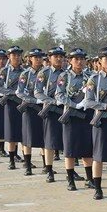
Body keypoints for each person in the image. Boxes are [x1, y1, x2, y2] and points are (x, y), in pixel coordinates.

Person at [83, 47, 107, 200]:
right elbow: (88, 101)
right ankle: (98, 188)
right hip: (101, 119)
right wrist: (105, 106)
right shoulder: (94, 79)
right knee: (98, 156)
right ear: (100, 61)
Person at [56, 48, 95, 191]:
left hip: (86, 115)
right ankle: (71, 180)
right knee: (70, 149)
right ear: (70, 61)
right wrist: (74, 104)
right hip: (71, 116)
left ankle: (90, 179)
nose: (79, 61)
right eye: (76, 59)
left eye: (82, 59)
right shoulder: (64, 77)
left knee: (87, 148)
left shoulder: (90, 76)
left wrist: (87, 102)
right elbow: (59, 95)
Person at [35, 47, 66, 183]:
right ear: (50, 58)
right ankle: (49, 170)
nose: (59, 58)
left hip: (66, 110)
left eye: (61, 56)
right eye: (55, 56)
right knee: (50, 142)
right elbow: (38, 92)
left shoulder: (68, 73)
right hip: (51, 110)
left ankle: (70, 170)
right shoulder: (44, 73)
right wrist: (53, 101)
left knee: (67, 141)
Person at [16, 48, 46, 175]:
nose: (38, 59)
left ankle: (46, 165)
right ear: (30, 59)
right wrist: (33, 100)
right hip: (30, 108)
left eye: (40, 57)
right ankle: (28, 165)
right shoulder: (25, 74)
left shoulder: (47, 73)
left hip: (43, 108)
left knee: (45, 137)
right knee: (27, 138)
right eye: (35, 57)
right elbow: (19, 92)